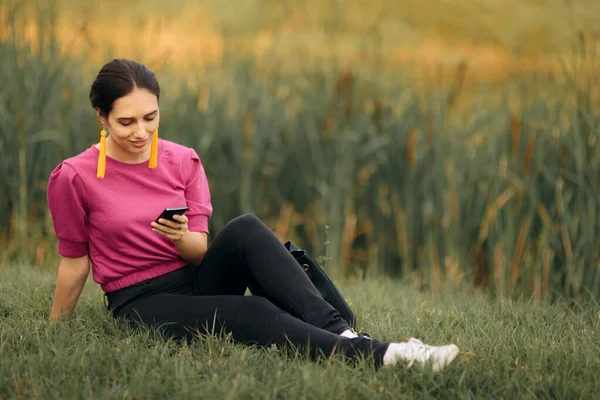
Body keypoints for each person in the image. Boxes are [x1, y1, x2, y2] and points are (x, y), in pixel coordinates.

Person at [47, 58, 460, 372]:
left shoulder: (182, 160)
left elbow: (197, 252)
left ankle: (342, 332)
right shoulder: (74, 177)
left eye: (150, 118)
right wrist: (55, 331)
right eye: (126, 122)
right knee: (253, 313)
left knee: (245, 227)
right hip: (141, 300)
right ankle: (385, 355)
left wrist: (176, 235)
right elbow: (75, 263)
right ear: (101, 117)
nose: (141, 132)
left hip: (193, 275)